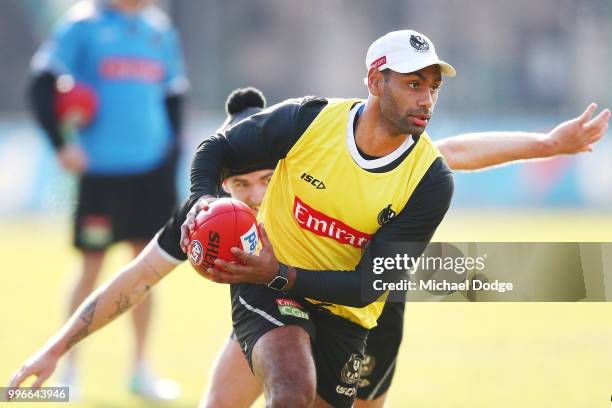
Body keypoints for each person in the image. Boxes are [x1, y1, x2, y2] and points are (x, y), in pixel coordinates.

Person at [8, 81, 608, 407]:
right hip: (277, 305)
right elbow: (134, 280)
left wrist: (546, 145)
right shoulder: (212, 217)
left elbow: (452, 153)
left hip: (363, 312)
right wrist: (54, 351)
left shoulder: (324, 161)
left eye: (259, 181)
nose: (247, 197)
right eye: (235, 184)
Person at [180, 30, 610, 407]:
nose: (426, 99)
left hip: (346, 310)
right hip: (270, 287)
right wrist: (201, 200)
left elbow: (369, 285)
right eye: (412, 84)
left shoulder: (430, 180)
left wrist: (281, 272)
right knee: (291, 389)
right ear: (373, 81)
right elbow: (216, 149)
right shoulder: (310, 120)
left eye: (434, 87)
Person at [27, 0, 187, 400]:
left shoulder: (160, 31)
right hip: (101, 173)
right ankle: (68, 370)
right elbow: (41, 83)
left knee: (150, 269)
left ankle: (140, 369)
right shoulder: (83, 25)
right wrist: (61, 143)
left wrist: (172, 155)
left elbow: (173, 97)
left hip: (151, 172)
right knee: (91, 268)